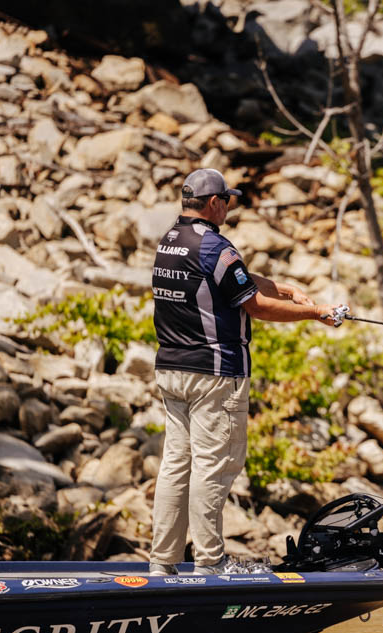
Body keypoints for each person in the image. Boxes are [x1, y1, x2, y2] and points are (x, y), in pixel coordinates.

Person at [148, 168, 342, 576]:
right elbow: (254, 306)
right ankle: (210, 563)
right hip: (215, 374)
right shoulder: (216, 246)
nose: (229, 208)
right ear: (214, 203)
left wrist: (283, 288)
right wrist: (315, 313)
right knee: (213, 466)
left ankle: (162, 563)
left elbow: (231, 280)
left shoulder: (170, 241)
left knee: (176, 465)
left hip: (172, 370)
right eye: (227, 201)